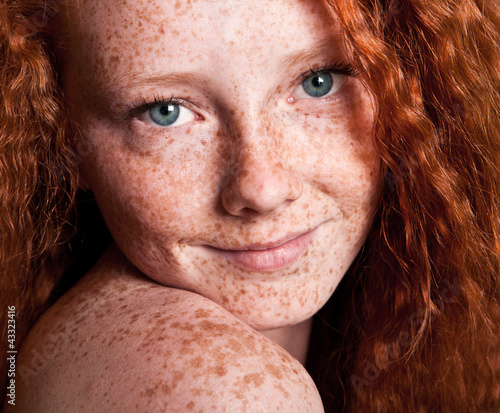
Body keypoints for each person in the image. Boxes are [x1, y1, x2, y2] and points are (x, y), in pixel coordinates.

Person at [1, 0, 499, 411]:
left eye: (318, 81)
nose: (261, 188)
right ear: (62, 135)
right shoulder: (228, 390)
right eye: (165, 112)